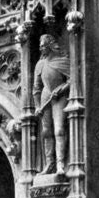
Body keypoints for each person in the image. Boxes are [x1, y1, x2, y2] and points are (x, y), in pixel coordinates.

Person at [32, 34, 70, 176]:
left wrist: (61, 89)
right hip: (45, 96)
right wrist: (37, 106)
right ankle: (50, 164)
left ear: (49, 46)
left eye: (43, 46)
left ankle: (61, 164)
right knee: (46, 131)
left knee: (59, 129)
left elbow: (72, 80)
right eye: (40, 46)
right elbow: (36, 88)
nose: (41, 48)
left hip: (59, 97)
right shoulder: (40, 65)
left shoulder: (63, 61)